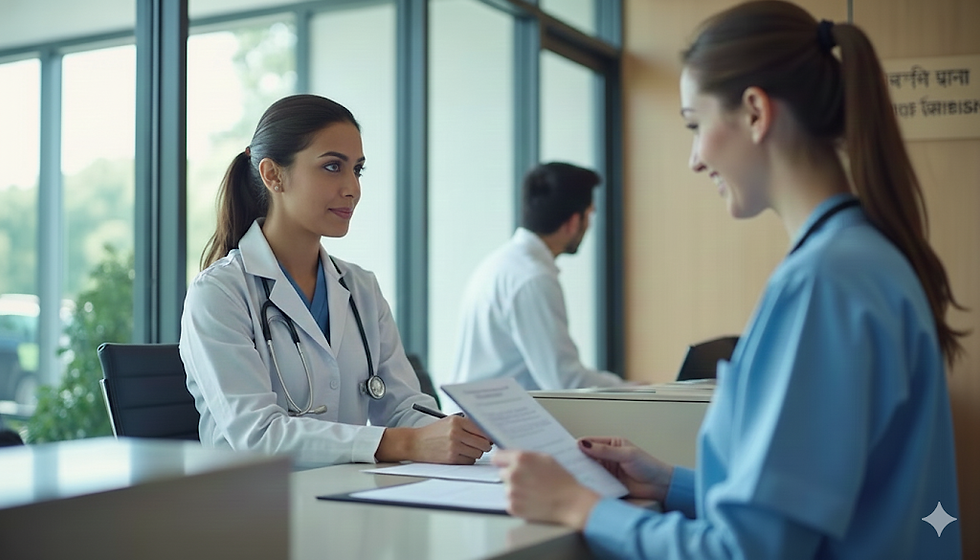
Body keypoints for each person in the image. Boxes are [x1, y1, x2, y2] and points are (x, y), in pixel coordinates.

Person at [491, 2, 965, 558]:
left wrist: (581, 507)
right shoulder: (869, 259)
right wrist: (670, 483)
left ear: (756, 112)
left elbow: (746, 552)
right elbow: (821, 505)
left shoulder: (823, 284)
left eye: (695, 124)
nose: (694, 159)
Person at [180, 94, 491, 468]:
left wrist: (460, 432)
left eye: (357, 170)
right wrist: (406, 444)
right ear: (273, 175)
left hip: (349, 494)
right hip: (253, 511)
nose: (352, 188)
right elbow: (258, 435)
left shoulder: (360, 287)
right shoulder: (219, 293)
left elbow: (404, 408)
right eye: (332, 167)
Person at [447, 162, 626, 392]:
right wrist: (633, 389)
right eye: (589, 214)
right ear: (573, 222)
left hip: (479, 413)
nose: (589, 225)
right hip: (488, 421)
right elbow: (564, 382)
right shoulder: (532, 278)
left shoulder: (503, 262)